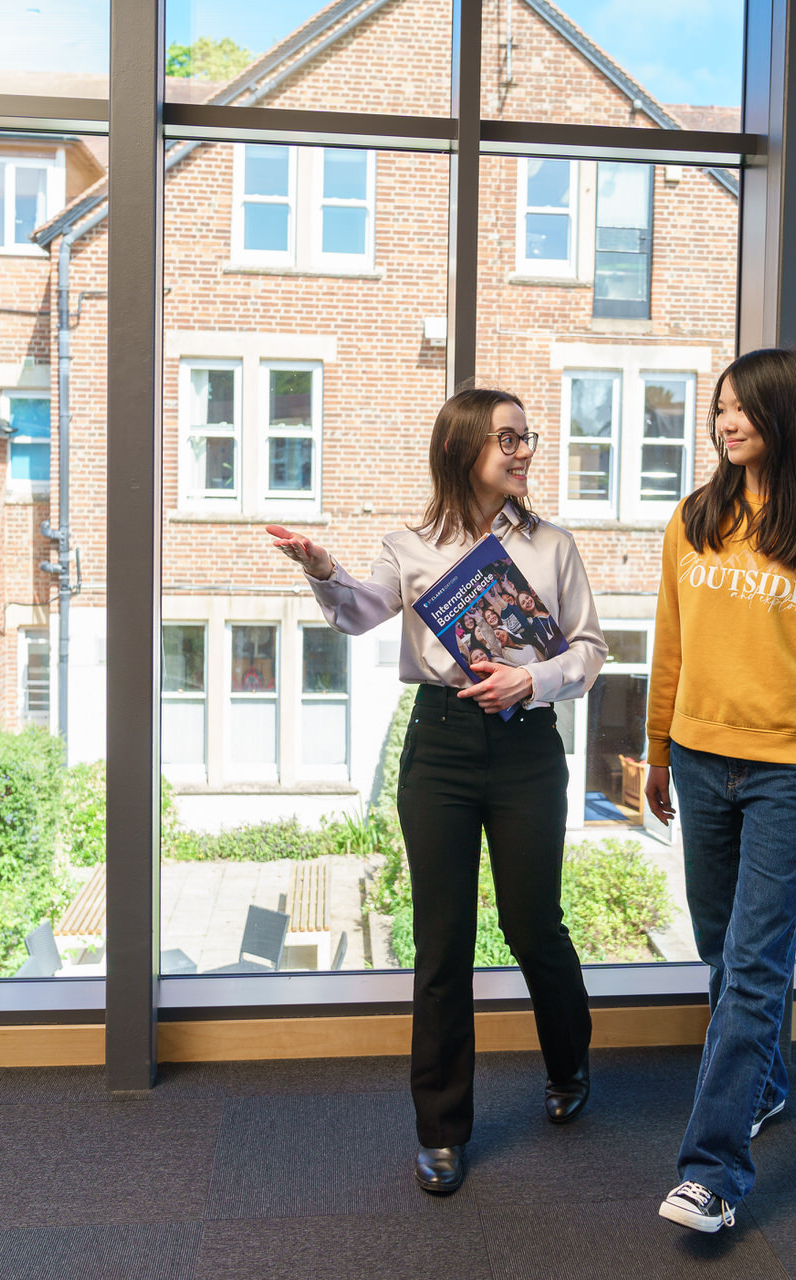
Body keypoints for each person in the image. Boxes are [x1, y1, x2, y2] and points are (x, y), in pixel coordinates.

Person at [267, 387, 607, 1197]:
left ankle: (570, 1064)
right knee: (443, 942)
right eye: (509, 440)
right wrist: (322, 569)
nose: (525, 452)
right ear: (463, 451)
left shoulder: (555, 547)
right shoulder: (411, 546)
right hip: (443, 748)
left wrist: (530, 679)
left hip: (526, 748)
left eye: (527, 439)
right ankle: (441, 1132)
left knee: (535, 927)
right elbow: (358, 615)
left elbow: (591, 651)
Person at [643, 348, 796, 1233]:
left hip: (792, 776)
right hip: (700, 762)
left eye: (742, 409)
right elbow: (670, 646)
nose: (725, 422)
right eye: (721, 409)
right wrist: (657, 749)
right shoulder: (695, 519)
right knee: (718, 946)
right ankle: (765, 1085)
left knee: (753, 963)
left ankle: (713, 1172)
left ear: (786, 416)